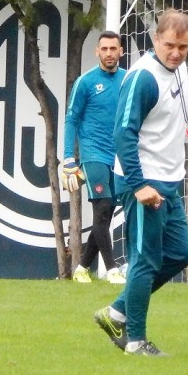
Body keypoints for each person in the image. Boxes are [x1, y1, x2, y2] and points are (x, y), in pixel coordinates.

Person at [92, 10, 188, 356]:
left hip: (170, 179)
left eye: (183, 47)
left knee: (179, 254)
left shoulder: (179, 70)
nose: (176, 53)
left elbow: (174, 114)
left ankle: (117, 311)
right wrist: (139, 185)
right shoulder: (142, 77)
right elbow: (123, 132)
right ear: (155, 40)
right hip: (145, 182)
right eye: (170, 45)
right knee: (144, 259)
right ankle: (135, 340)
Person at [61, 31, 127, 285]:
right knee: (101, 207)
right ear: (97, 52)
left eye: (113, 48)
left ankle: (81, 268)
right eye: (104, 49)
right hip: (93, 153)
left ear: (121, 51)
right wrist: (68, 159)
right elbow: (71, 119)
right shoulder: (86, 82)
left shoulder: (128, 80)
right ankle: (111, 269)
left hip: (118, 156)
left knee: (107, 211)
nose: (109, 53)